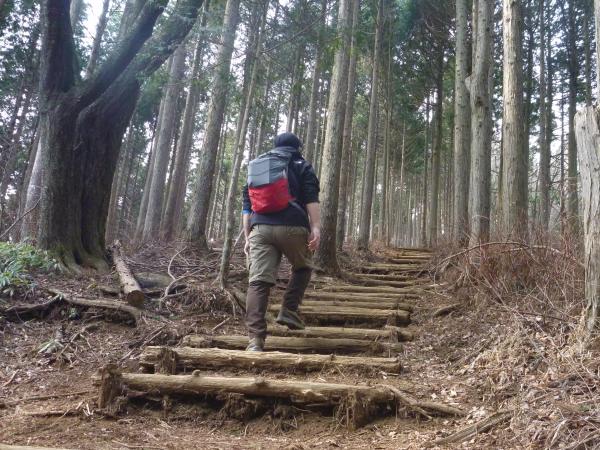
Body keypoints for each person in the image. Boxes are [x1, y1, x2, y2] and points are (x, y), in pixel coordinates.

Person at [242, 132, 321, 352]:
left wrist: (248, 237)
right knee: (303, 267)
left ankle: (255, 340)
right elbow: (311, 198)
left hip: (260, 228)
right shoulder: (301, 165)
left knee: (258, 282)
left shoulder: (259, 165)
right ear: (297, 147)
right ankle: (289, 309)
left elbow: (247, 205)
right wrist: (316, 227)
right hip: (293, 225)